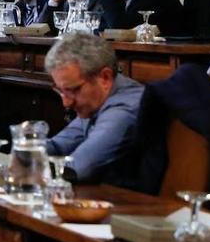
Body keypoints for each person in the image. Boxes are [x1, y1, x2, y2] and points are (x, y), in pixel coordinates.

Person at [44, 32, 145, 185]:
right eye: (61, 91)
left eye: (73, 90)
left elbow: (79, 168)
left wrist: (30, 167)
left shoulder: (125, 107)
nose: (66, 103)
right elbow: (57, 146)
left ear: (105, 78)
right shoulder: (95, 103)